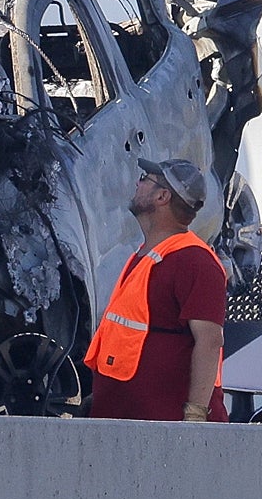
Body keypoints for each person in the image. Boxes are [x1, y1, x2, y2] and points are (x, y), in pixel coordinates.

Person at [83, 160, 230, 421]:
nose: (137, 184)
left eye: (145, 178)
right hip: (127, 422)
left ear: (163, 196)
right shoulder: (149, 256)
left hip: (164, 433)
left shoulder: (195, 261)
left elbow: (209, 341)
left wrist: (195, 416)